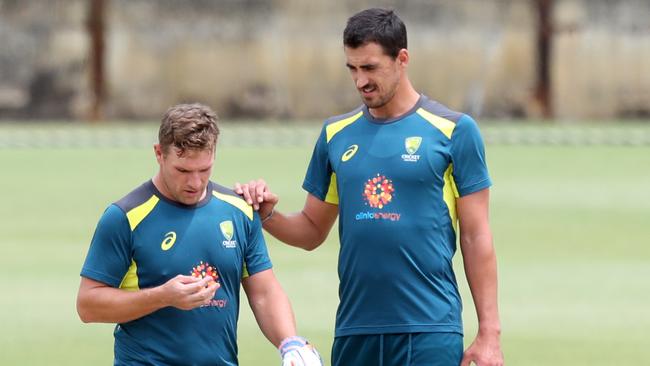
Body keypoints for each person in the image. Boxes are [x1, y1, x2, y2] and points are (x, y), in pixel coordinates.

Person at [236, 8, 503, 366]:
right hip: (354, 330)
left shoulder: (454, 131)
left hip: (428, 330)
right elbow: (312, 230)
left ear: (402, 59)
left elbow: (476, 236)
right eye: (353, 69)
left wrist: (489, 333)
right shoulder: (335, 135)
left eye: (370, 68)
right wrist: (264, 212)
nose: (361, 80)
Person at [76, 103, 322, 366]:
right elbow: (88, 305)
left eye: (204, 170)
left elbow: (264, 292)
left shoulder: (239, 211)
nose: (194, 183)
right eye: (182, 171)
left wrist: (290, 343)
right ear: (159, 154)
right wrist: (163, 296)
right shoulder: (125, 217)